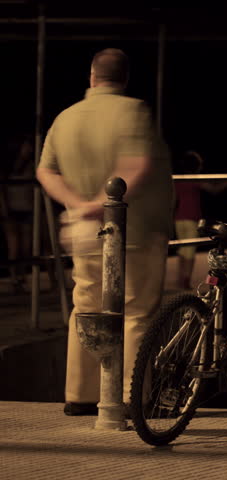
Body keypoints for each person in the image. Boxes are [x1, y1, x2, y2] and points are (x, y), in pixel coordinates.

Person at [35, 48, 174, 416]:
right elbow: (137, 165)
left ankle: (80, 395)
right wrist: (102, 204)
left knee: (86, 306)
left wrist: (79, 206)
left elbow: (45, 171)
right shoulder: (134, 112)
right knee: (135, 311)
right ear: (124, 78)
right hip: (135, 230)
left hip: (83, 229)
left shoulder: (66, 117)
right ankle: (130, 398)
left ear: (92, 76)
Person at [173, 150, 227, 290]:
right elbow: (214, 189)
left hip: (179, 218)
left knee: (182, 249)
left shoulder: (178, 180)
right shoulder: (194, 179)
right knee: (190, 250)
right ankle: (185, 280)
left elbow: (174, 200)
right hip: (192, 218)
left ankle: (180, 278)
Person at [1, 134, 35, 293]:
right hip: (11, 211)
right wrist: (4, 209)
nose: (30, 149)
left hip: (27, 209)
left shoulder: (31, 165)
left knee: (26, 248)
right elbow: (2, 191)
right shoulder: (7, 167)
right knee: (14, 247)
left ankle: (22, 277)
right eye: (26, 146)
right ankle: (14, 278)